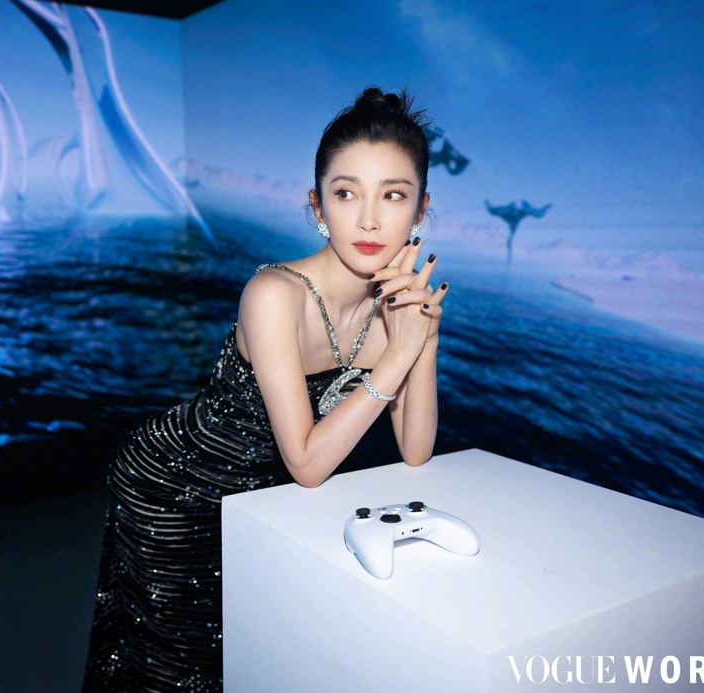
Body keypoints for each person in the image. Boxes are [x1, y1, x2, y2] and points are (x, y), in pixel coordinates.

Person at [82, 86, 447, 692]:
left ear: (420, 210)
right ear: (317, 205)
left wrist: (423, 335)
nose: (369, 219)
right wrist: (398, 355)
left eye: (393, 195)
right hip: (175, 485)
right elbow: (306, 462)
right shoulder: (274, 294)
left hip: (266, 502)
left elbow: (415, 450)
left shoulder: (400, 314)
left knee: (254, 659)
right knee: (184, 668)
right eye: (346, 193)